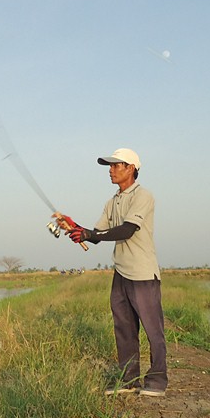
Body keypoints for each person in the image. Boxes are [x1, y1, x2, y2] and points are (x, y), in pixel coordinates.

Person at [61, 148, 168, 397]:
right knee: (124, 328)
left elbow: (127, 229)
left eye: (115, 165)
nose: (110, 170)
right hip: (121, 272)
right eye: (109, 166)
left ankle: (157, 381)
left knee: (153, 329)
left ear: (130, 168)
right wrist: (75, 227)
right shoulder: (112, 202)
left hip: (142, 272)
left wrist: (89, 234)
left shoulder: (143, 196)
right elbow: (97, 235)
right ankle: (129, 380)